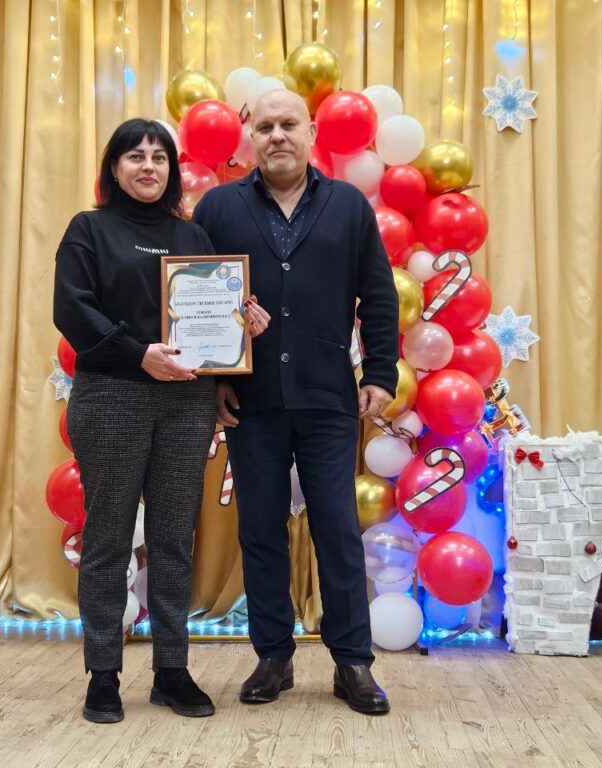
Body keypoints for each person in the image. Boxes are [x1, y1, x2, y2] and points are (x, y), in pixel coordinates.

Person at [54, 118, 270, 724]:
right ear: (114, 167)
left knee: (175, 536)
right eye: (135, 156)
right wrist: (137, 354)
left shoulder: (194, 236)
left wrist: (242, 328)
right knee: (108, 537)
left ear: (172, 170)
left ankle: (172, 670)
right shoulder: (89, 229)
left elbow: (213, 319)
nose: (148, 166)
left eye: (159, 157)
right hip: (112, 396)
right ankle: (103, 674)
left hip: (187, 402)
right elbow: (72, 309)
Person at [192, 90, 399, 715]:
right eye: (265, 126)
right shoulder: (219, 207)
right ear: (250, 138)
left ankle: (353, 663)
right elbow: (199, 303)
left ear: (311, 133)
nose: (277, 135)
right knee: (260, 530)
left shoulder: (349, 206)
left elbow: (378, 295)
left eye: (288, 124)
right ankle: (273, 658)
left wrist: (380, 373)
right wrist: (214, 381)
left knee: (337, 528)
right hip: (251, 400)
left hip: (327, 397)